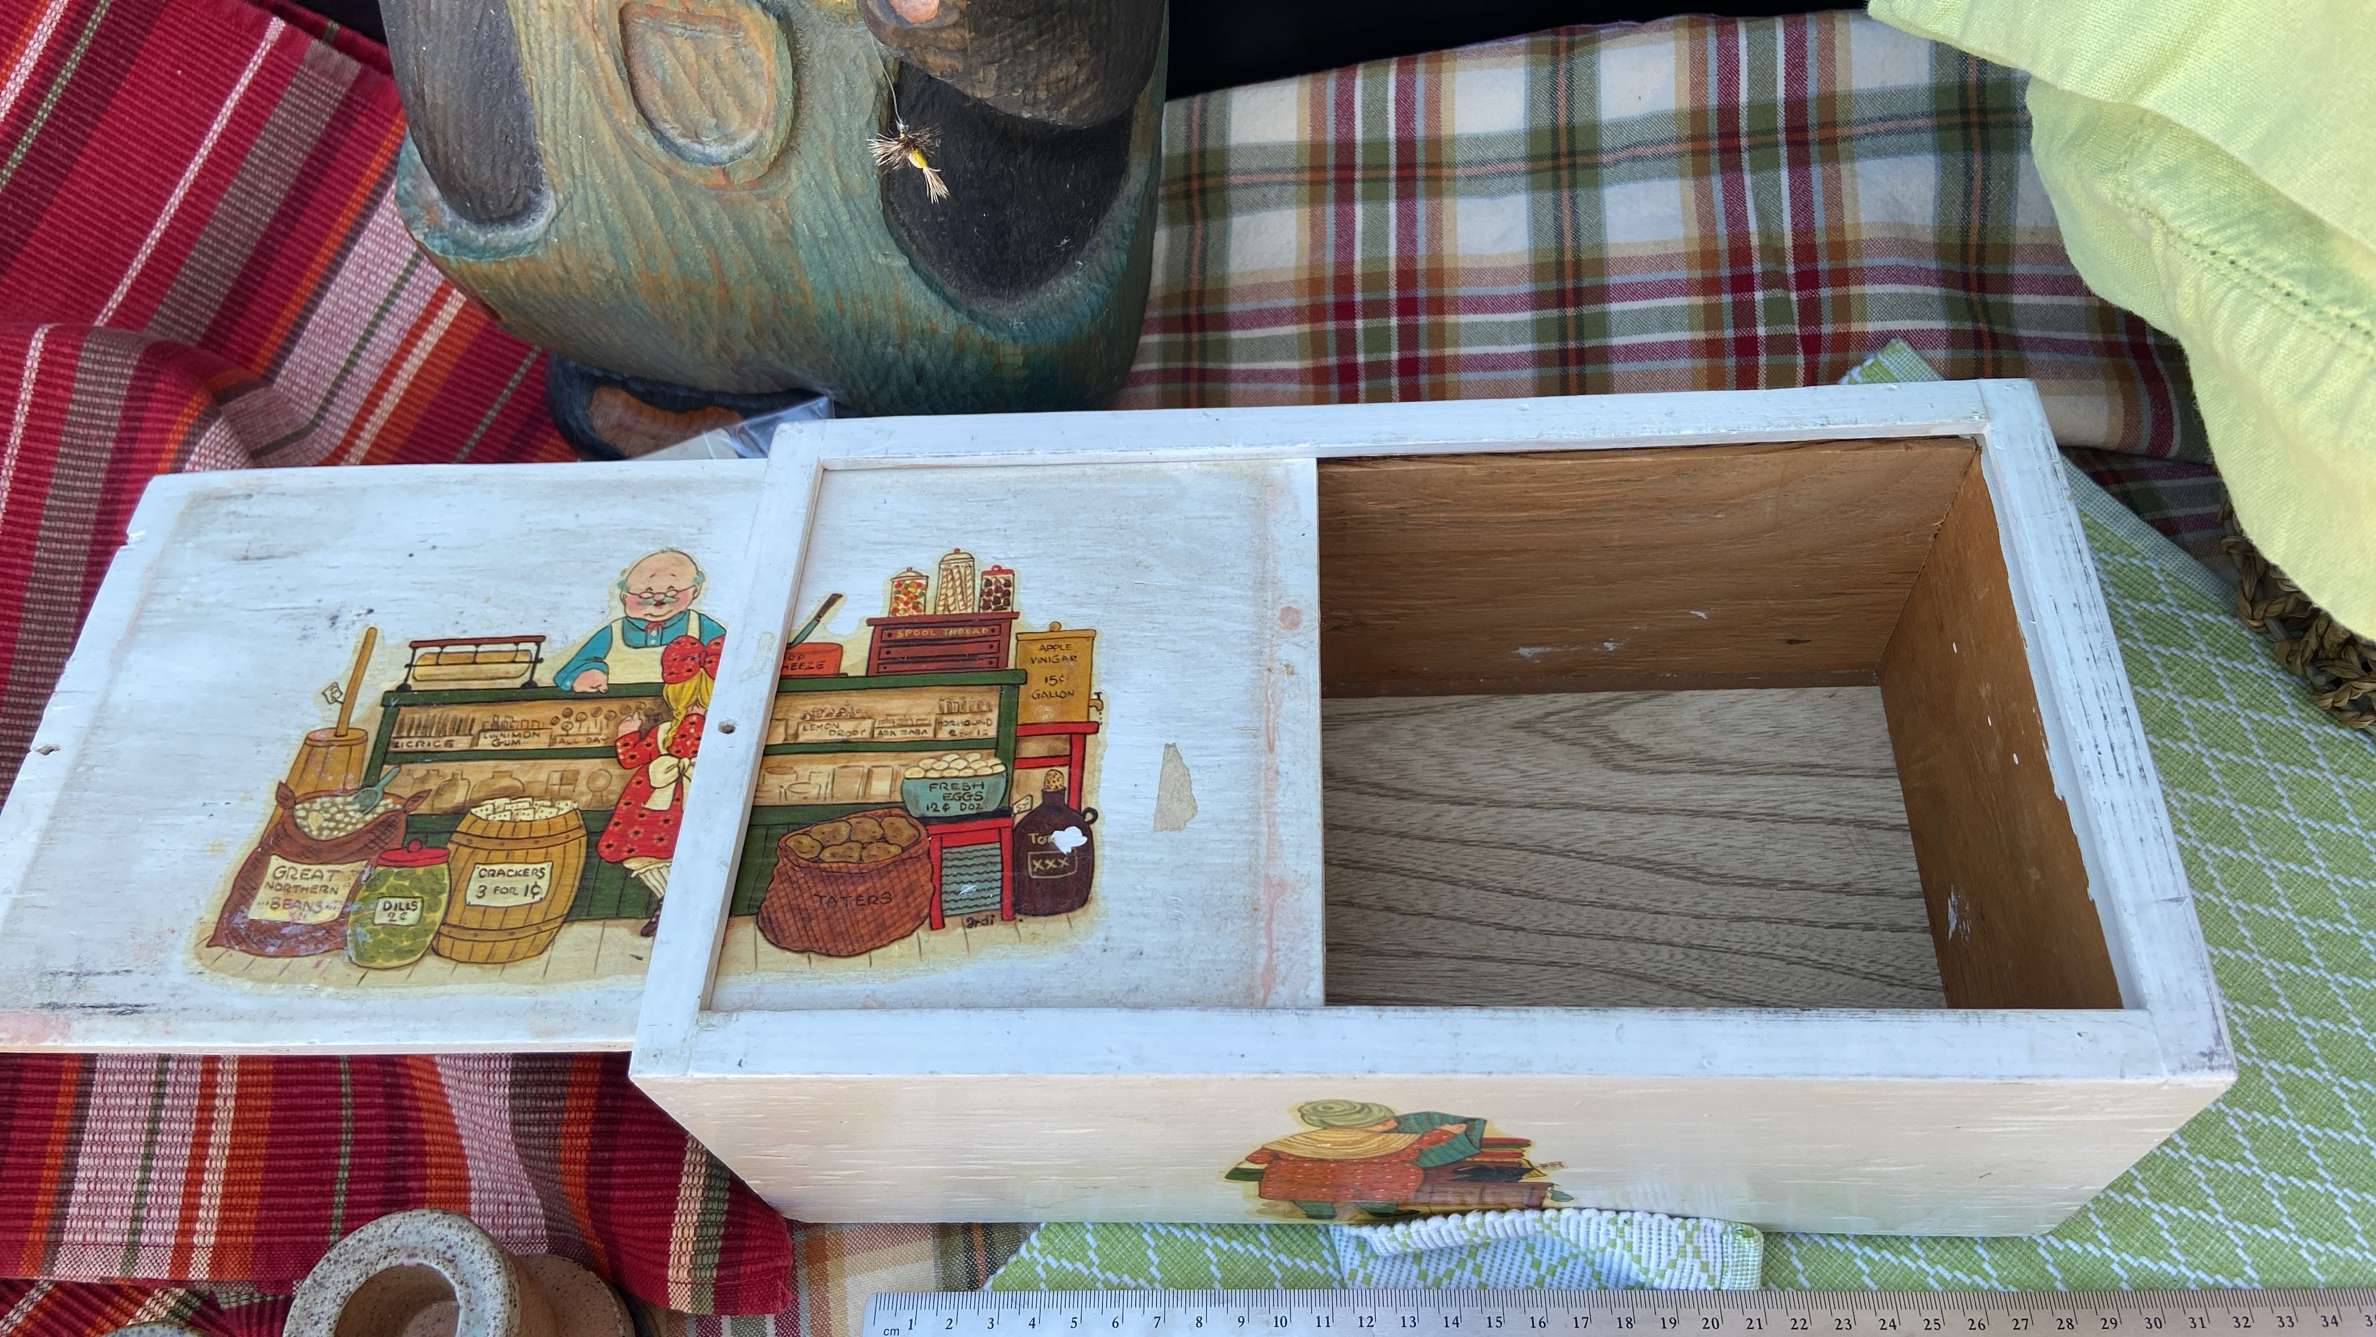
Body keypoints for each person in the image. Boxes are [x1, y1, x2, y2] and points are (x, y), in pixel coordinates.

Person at [1227, 1099, 1557, 1220]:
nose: (1390, 1125)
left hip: (1304, 1179)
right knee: (1377, 1192)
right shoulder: (1375, 1142)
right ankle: (1379, 1210)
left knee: (1312, 1195)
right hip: (1368, 1179)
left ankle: (1319, 1211)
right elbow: (1413, 1146)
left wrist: (1250, 1167)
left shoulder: (1302, 1140)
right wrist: (1445, 1131)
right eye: (1382, 1123)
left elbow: (1262, 1153)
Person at [597, 634, 714, 934]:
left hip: (655, 804)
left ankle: (669, 904)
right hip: (694, 798)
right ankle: (676, 905)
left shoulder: (664, 731)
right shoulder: (718, 730)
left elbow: (630, 758)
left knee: (644, 852)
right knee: (690, 851)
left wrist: (627, 733)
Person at [554, 548, 724, 693]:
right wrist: (586, 673)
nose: (658, 600)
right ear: (625, 597)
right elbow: (574, 667)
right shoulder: (613, 632)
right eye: (646, 594)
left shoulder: (701, 626)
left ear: (694, 591)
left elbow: (730, 660)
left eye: (671, 592)